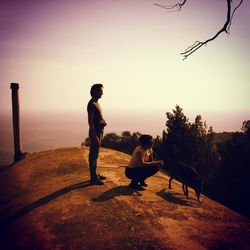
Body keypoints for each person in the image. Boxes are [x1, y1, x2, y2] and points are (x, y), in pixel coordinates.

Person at [87, 83, 107, 185]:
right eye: (100, 91)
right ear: (95, 92)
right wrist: (94, 135)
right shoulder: (91, 104)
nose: (102, 93)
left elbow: (98, 117)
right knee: (93, 155)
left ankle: (95, 174)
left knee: (96, 154)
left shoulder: (96, 103)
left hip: (99, 131)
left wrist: (103, 121)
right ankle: (93, 178)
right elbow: (90, 122)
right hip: (95, 132)